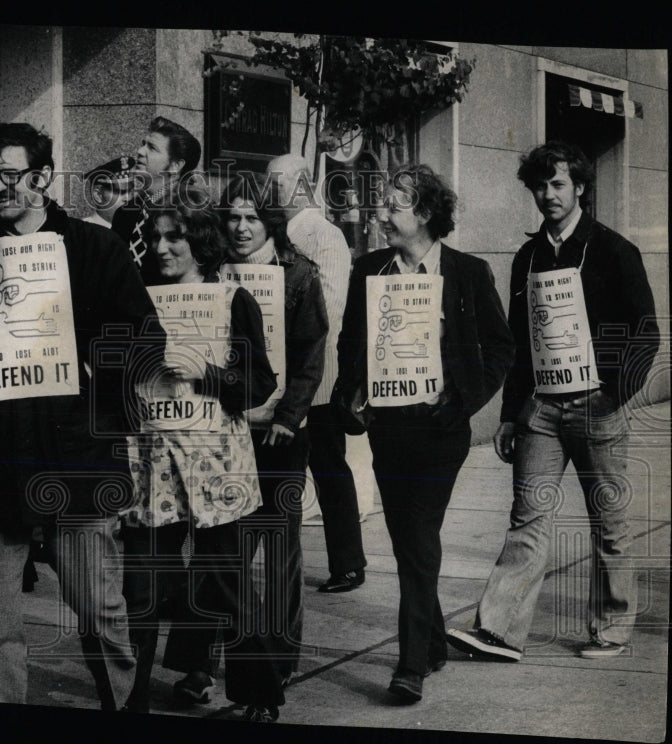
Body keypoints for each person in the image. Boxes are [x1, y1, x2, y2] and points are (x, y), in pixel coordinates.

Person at [0, 122, 163, 709]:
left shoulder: (95, 249)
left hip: (78, 456)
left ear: (42, 178)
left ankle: (124, 704)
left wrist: (96, 369)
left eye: (10, 175)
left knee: (99, 607)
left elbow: (147, 338)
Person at [447, 142, 659, 662]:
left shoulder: (613, 250)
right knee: (528, 516)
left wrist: (615, 393)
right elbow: (519, 341)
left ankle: (611, 626)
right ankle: (499, 630)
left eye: (558, 184)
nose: (548, 195)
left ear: (580, 187)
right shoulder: (528, 256)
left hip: (598, 405)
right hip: (541, 409)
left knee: (609, 522)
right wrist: (508, 415)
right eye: (540, 186)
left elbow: (645, 333)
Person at [335, 164, 514, 703]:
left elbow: (501, 347)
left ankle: (410, 663)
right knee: (408, 538)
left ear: (427, 214)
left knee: (418, 536)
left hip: (440, 431)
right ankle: (433, 641)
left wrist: (460, 400)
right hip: (388, 428)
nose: (381, 214)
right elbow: (350, 345)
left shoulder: (467, 272)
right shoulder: (369, 269)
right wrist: (354, 396)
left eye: (394, 205)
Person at [118, 192, 276, 717]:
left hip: (217, 461)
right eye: (156, 237)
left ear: (201, 242)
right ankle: (130, 696)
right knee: (142, 585)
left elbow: (259, 383)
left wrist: (208, 374)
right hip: (153, 463)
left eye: (175, 237)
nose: (162, 248)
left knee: (226, 580)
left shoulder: (232, 300)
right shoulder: (140, 298)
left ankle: (257, 693)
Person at [218, 171, 329, 719]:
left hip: (281, 436)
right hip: (226, 433)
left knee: (281, 549)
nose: (240, 228)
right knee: (232, 555)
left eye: (251, 218)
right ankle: (248, 657)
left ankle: (279, 656)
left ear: (271, 224)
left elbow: (312, 352)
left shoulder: (299, 274)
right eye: (233, 217)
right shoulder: (211, 274)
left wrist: (289, 415)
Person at [267, 153, 366, 594]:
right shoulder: (270, 232)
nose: (269, 189)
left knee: (328, 468)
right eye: (267, 181)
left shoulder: (324, 234)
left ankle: (348, 562)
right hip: (275, 377)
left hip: (317, 376)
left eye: (277, 181)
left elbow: (331, 306)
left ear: (302, 183)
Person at [110, 117, 201, 284]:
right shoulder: (125, 213)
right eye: (143, 143)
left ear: (175, 165)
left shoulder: (191, 212)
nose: (140, 151)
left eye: (152, 148)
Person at [82, 155, 136, 228]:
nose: (128, 198)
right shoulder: (82, 233)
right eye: (120, 192)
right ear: (98, 195)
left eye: (130, 191)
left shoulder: (135, 230)